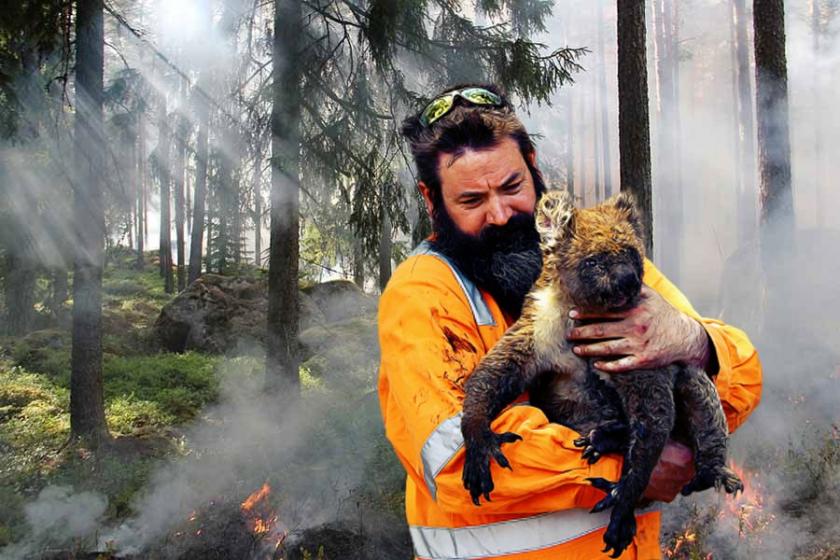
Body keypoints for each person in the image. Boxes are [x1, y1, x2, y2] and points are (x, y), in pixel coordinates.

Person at [377, 84, 762, 559]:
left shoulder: (597, 249)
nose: (500, 214)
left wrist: (692, 341)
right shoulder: (424, 291)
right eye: (472, 200)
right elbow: (452, 460)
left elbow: (742, 376)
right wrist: (623, 465)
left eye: (512, 187)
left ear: (533, 165)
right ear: (431, 199)